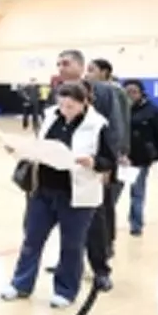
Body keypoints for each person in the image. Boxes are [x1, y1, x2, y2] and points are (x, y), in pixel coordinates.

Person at [0, 81, 117, 308]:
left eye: (71, 106)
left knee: (71, 245)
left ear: (84, 103)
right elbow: (40, 148)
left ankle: (65, 290)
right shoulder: (50, 116)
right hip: (43, 190)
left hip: (77, 195)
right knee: (32, 240)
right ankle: (21, 283)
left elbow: (109, 160)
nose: (64, 110)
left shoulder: (98, 125)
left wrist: (92, 162)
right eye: (61, 105)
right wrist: (19, 150)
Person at [49, 50, 125, 290]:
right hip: (63, 170)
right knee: (67, 222)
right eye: (58, 63)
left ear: (81, 66)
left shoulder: (106, 91)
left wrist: (109, 165)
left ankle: (101, 269)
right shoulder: (58, 92)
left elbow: (116, 127)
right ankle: (69, 264)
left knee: (97, 223)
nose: (61, 67)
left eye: (66, 63)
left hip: (93, 168)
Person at [122, 79, 158, 237]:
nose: (130, 95)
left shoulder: (153, 111)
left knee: (137, 192)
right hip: (118, 158)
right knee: (111, 194)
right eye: (127, 92)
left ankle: (136, 224)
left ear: (141, 93)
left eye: (134, 92)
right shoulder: (118, 110)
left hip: (140, 158)